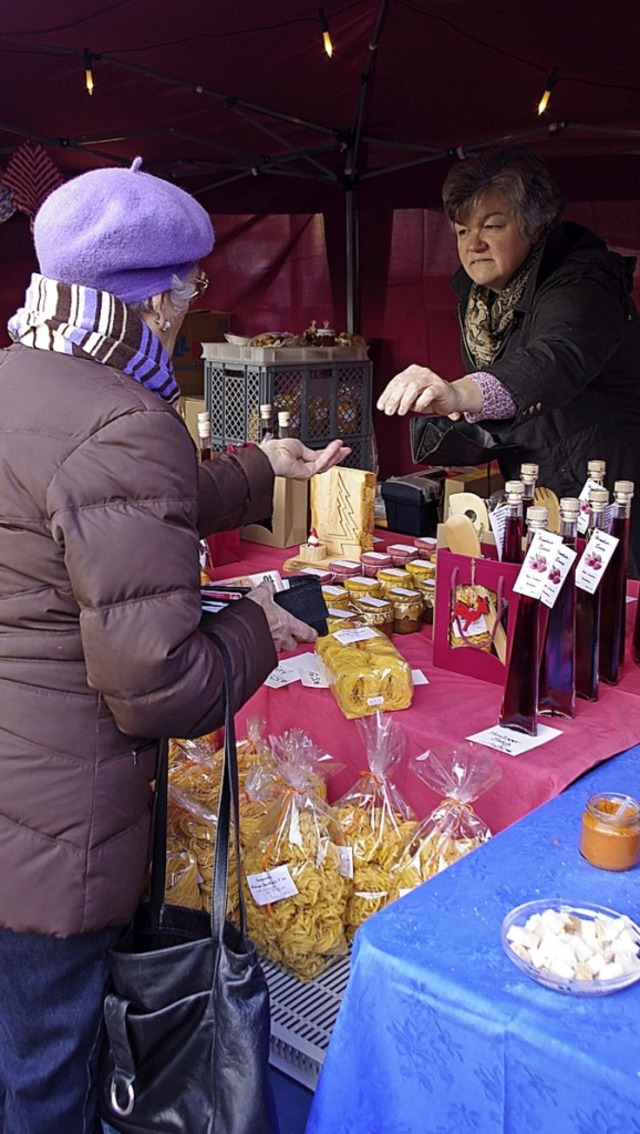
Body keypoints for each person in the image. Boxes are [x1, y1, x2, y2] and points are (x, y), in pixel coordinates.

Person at [0, 157, 350, 1134]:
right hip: (49, 834)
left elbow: (109, 496)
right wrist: (258, 625)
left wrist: (257, 467)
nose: (193, 304)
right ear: (149, 301)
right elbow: (158, 685)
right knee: (44, 1082)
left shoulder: (23, 379)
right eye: (190, 284)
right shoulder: (123, 418)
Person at [377, 144, 640, 573]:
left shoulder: (585, 280)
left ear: (536, 228)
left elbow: (555, 357)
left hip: (609, 496)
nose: (474, 243)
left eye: (492, 226)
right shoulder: (481, 301)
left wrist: (463, 392)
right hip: (539, 492)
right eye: (462, 231)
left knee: (610, 620)